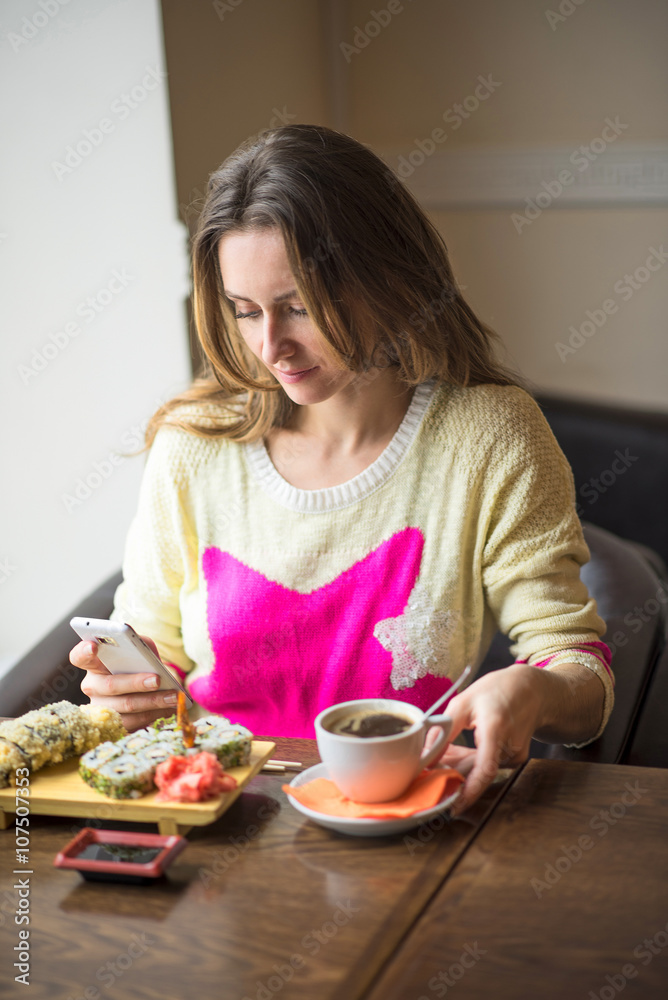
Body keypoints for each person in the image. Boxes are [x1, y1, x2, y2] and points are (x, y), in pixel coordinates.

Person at [70, 124, 614, 815]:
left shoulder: (489, 437)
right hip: (222, 818)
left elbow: (581, 679)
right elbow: (154, 662)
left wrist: (536, 690)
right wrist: (126, 694)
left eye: (298, 307)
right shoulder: (192, 446)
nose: (274, 347)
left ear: (383, 276)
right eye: (245, 312)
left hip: (405, 827)